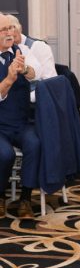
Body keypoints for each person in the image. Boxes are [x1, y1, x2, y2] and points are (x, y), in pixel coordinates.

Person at [0, 13, 41, 219]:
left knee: (34, 144)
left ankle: (25, 199)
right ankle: (0, 197)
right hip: (0, 126)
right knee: (5, 154)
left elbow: (38, 72)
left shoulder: (22, 50)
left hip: (21, 122)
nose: (10, 33)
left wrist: (24, 68)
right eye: (4, 30)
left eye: (11, 28)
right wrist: (8, 79)